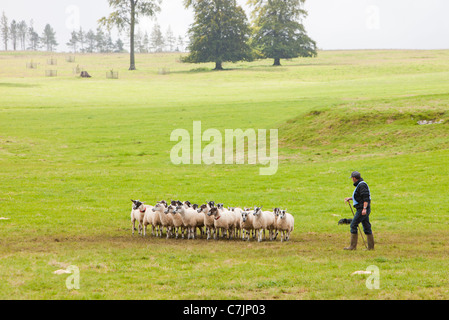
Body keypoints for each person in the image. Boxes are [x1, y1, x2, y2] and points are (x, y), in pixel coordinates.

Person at [344, 171, 375, 250]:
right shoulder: (360, 185)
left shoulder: (362, 185)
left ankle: (352, 246)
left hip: (362, 209)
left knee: (353, 225)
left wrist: (364, 209)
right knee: (366, 226)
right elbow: (360, 196)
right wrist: (350, 198)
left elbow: (365, 198)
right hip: (363, 209)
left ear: (354, 178)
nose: (352, 180)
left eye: (352, 178)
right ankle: (371, 247)